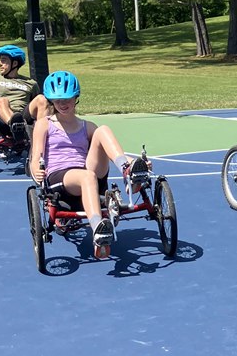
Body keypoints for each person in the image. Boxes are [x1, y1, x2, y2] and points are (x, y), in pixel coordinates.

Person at [29, 70, 150, 260]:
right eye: (57, 99)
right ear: (51, 101)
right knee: (87, 176)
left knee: (102, 130)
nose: (63, 104)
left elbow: (108, 150)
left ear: (76, 97)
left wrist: (142, 164)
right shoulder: (45, 124)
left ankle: (129, 171)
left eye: (67, 98)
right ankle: (98, 231)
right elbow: (36, 154)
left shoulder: (86, 126)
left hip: (90, 176)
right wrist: (35, 168)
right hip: (61, 179)